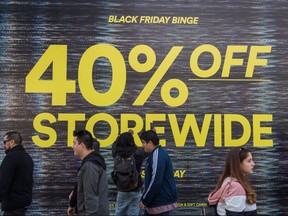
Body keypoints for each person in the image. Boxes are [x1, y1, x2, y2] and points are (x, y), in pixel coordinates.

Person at [67, 130, 109, 216]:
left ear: (82, 145)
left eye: (74, 143)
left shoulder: (90, 166)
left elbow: (91, 197)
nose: (72, 146)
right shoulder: (91, 163)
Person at [208, 148, 257, 216]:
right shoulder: (236, 187)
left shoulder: (231, 182)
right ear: (238, 164)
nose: (253, 164)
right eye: (249, 161)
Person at [139, 130, 177, 216]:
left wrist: (145, 200)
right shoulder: (154, 154)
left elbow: (156, 181)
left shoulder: (157, 155)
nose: (142, 145)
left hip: (160, 204)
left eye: (143, 142)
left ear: (150, 143)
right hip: (157, 203)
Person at [112, 131, 147, 216]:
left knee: (119, 213)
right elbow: (148, 149)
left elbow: (114, 145)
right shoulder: (138, 153)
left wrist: (121, 136)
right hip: (135, 189)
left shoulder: (116, 153)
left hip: (121, 189)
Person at [0, 131, 34, 215]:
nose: (4, 145)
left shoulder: (10, 158)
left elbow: (3, 183)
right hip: (22, 207)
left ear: (12, 141)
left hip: (12, 208)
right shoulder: (27, 157)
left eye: (5, 142)